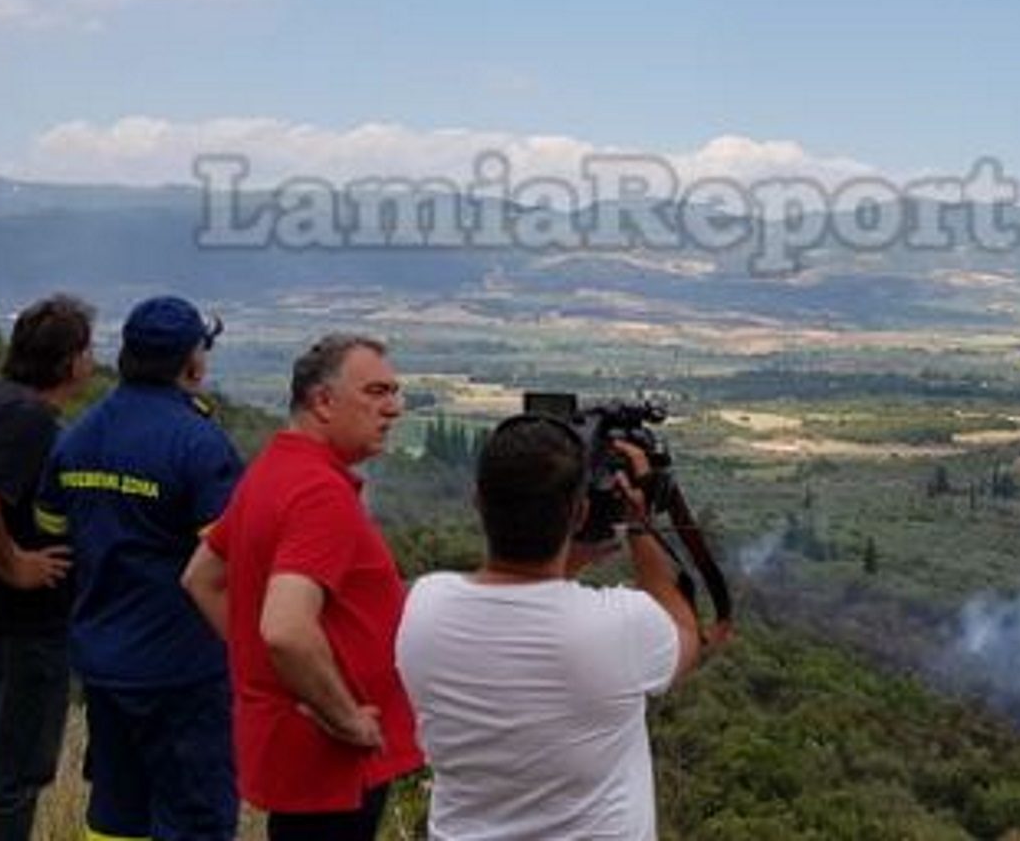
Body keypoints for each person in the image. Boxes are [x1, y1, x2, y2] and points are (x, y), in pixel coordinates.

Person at [395, 413, 704, 841]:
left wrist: (568, 552)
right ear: (579, 512)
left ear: (478, 501)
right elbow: (686, 634)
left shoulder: (424, 607)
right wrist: (639, 525)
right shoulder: (621, 627)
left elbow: (526, 597)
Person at [181, 334, 422, 841]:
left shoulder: (273, 469)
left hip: (300, 753)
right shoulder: (319, 493)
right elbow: (286, 629)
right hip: (332, 762)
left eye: (394, 392)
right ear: (323, 401)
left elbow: (202, 578)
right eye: (376, 391)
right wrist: (346, 716)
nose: (393, 408)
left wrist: (273, 676)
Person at [36, 296, 242, 841]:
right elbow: (232, 561)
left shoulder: (78, 436)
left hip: (102, 657)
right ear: (191, 364)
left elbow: (50, 528)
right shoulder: (200, 444)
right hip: (183, 668)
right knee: (195, 816)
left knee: (116, 814)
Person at [0, 294, 91, 841]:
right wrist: (16, 566)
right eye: (85, 351)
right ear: (67, 361)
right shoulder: (29, 417)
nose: (91, 362)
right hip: (21, 619)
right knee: (19, 767)